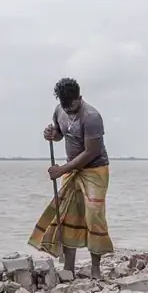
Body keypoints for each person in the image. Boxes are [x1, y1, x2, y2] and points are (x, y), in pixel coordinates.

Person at [28, 77, 113, 279]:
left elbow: (91, 152)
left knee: (94, 216)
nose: (68, 110)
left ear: (79, 98)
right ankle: (69, 268)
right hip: (71, 170)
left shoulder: (91, 117)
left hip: (94, 170)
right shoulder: (60, 110)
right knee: (67, 215)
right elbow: (59, 134)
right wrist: (51, 134)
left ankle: (95, 268)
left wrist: (62, 169)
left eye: (72, 106)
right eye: (65, 106)